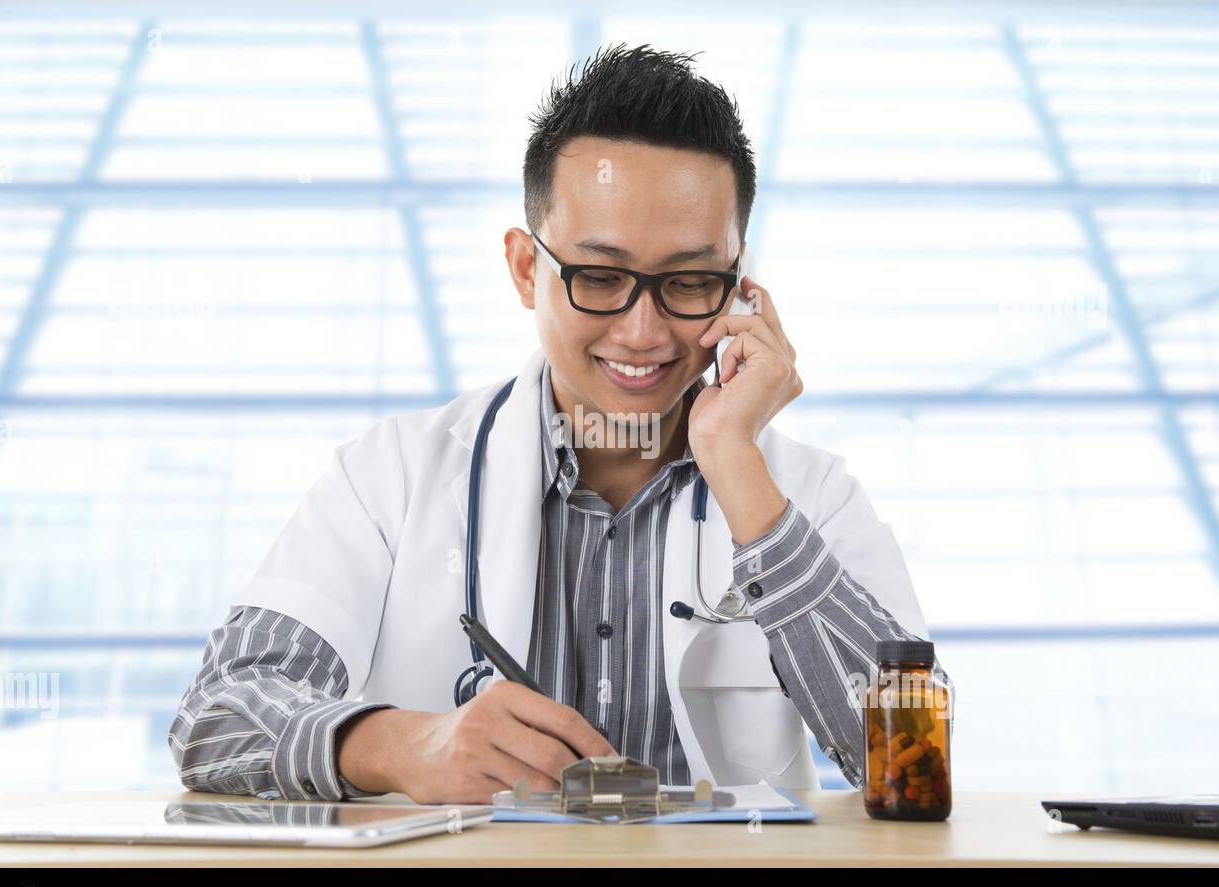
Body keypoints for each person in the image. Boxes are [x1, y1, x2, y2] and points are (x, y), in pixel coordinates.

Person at [168, 44, 949, 805]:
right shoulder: (389, 476)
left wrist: (735, 466)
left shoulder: (806, 495)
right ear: (524, 269)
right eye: (601, 276)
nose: (643, 332)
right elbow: (217, 717)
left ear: (738, 291)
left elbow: (911, 764)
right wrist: (404, 745)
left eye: (689, 281)